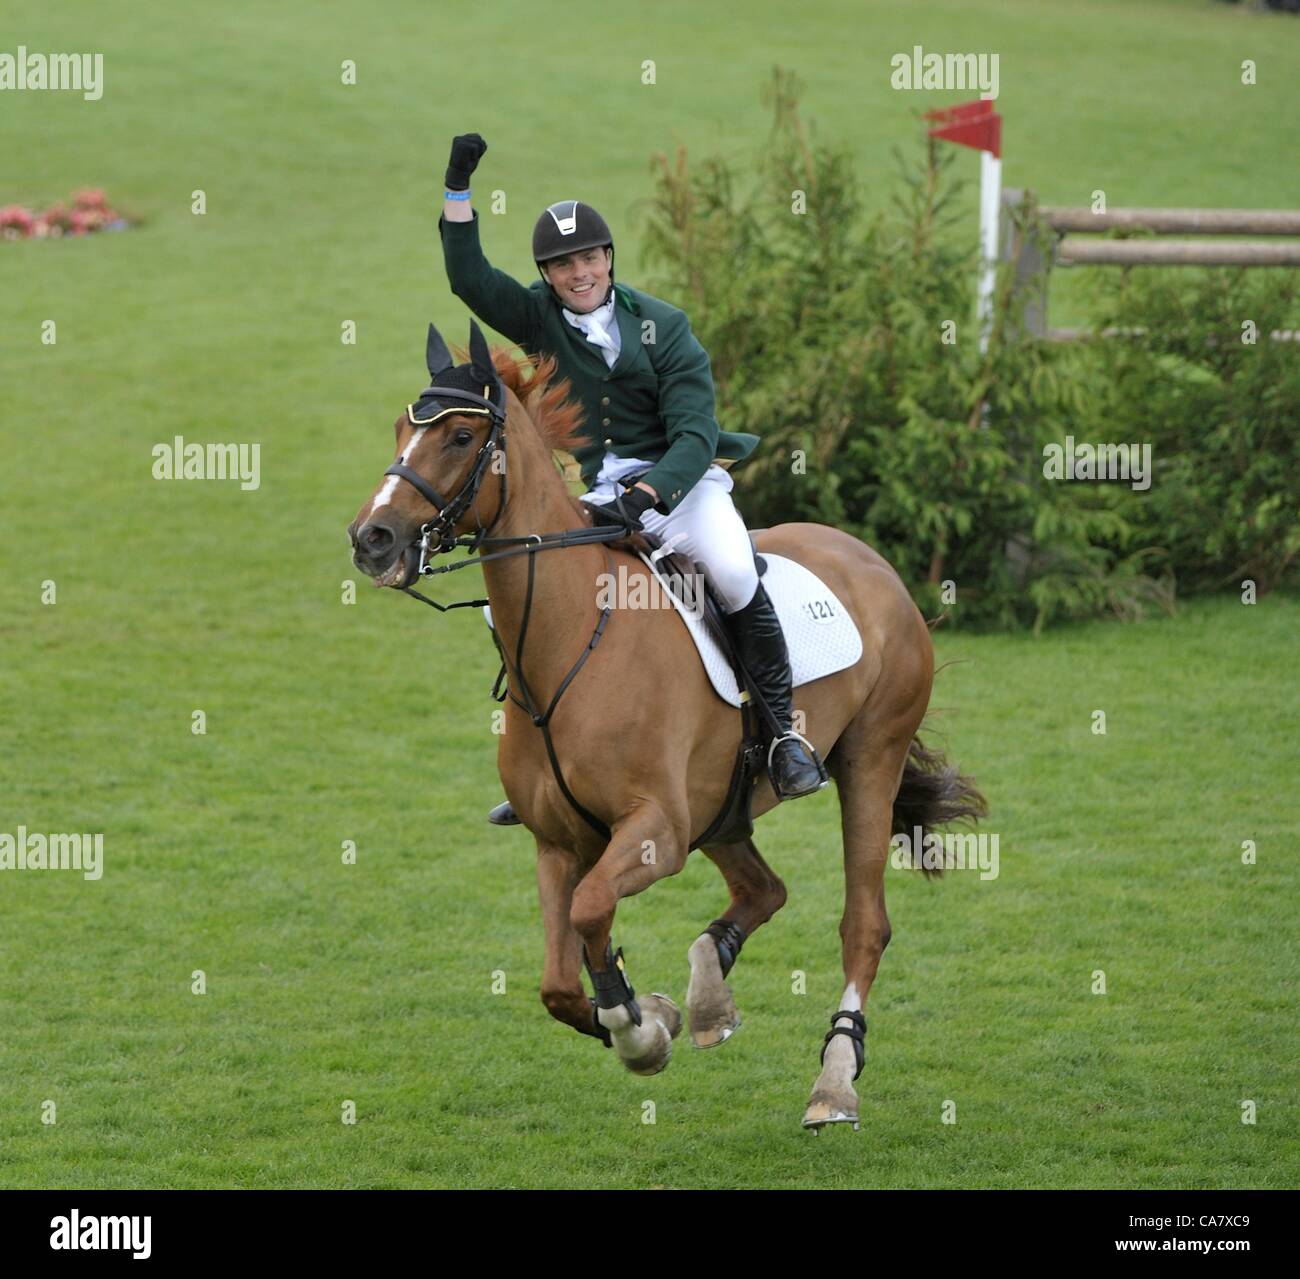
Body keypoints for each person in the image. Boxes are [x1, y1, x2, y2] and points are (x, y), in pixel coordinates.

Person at [437, 133, 827, 825]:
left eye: (588, 257)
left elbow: (695, 433)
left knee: (734, 571)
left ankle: (783, 736)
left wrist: (650, 496)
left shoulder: (663, 326)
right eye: (562, 265)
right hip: (597, 495)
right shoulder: (538, 317)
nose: (578, 273)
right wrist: (459, 189)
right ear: (548, 275)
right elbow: (469, 280)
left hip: (680, 486)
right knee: (510, 599)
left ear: (609, 259)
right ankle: (544, 765)